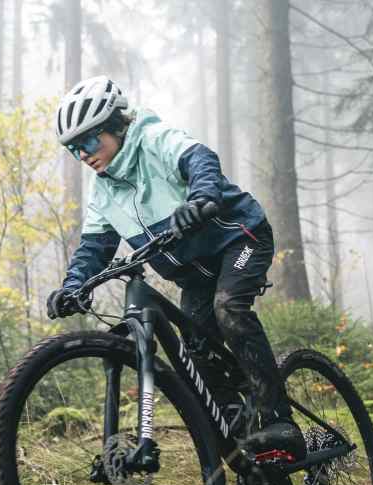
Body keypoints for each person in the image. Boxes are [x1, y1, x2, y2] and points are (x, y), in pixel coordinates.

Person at [45, 76, 305, 462]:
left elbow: (200, 160)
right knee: (197, 353)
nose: (83, 155)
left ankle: (280, 422)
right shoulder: (102, 191)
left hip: (240, 240)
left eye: (88, 141)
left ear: (116, 126)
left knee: (230, 307)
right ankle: (247, 452)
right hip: (193, 276)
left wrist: (201, 197)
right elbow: (94, 247)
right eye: (73, 150)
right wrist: (73, 285)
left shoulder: (153, 139)